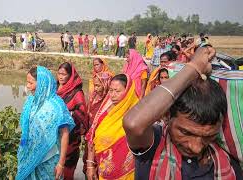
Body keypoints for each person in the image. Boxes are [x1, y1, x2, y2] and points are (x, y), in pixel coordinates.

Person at [123, 47, 243, 179]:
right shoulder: (155, 142)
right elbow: (133, 124)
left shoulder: (227, 159)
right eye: (186, 132)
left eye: (208, 136)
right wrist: (194, 67)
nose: (196, 148)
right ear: (167, 116)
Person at [16, 66, 75, 180]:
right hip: (29, 155)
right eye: (27, 82)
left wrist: (61, 163)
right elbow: (26, 129)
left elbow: (64, 133)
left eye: (31, 83)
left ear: (42, 83)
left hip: (49, 159)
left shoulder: (56, 106)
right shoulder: (31, 101)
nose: (28, 87)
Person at [86, 74, 138, 179]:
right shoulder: (105, 111)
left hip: (127, 173)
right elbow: (92, 138)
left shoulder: (137, 113)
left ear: (128, 91)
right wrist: (90, 165)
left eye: (117, 91)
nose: (113, 95)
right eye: (111, 90)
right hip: (103, 170)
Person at [57, 62, 88, 179]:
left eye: (64, 74)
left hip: (70, 137)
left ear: (70, 76)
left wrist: (67, 114)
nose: (60, 77)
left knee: (66, 170)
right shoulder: (55, 87)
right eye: (59, 73)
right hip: (55, 137)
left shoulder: (76, 93)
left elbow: (82, 114)